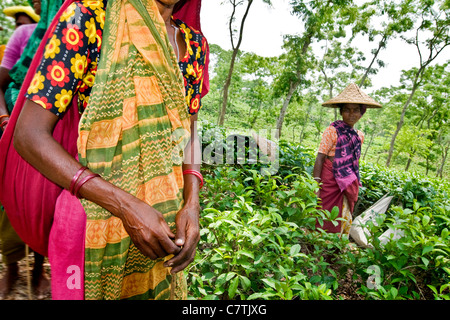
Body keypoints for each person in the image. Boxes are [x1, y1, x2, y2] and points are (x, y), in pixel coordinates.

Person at [1, 0, 209, 300]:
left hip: (162, 226)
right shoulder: (88, 20)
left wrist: (192, 204)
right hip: (91, 221)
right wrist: (126, 206)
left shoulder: (194, 45)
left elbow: (189, 129)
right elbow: (28, 135)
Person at [0, 3, 48, 300]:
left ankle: (38, 269)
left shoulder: (74, 29)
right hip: (11, 130)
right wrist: (4, 118)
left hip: (47, 132)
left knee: (41, 201)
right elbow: (1, 81)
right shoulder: (24, 34)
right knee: (8, 202)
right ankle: (12, 269)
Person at [313, 83, 381, 235]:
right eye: (347, 110)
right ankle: (319, 242)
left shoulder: (359, 136)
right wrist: (316, 183)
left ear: (361, 113)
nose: (351, 114)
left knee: (341, 213)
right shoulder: (332, 130)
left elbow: (353, 162)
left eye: (355, 110)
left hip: (346, 181)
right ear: (341, 112)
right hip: (329, 179)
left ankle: (336, 242)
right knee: (324, 211)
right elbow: (320, 157)